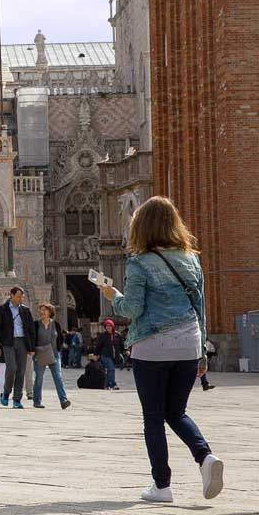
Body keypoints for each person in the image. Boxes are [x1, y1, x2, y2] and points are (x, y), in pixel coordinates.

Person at [100, 195, 223, 503]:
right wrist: (202, 352)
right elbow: (200, 308)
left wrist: (112, 294)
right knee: (177, 411)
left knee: (154, 416)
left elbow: (133, 309)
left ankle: (162, 486)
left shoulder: (140, 262)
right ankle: (205, 457)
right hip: (189, 343)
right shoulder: (191, 258)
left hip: (153, 345)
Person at [0, 286, 35, 409]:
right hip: (8, 342)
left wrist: (31, 347)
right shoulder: (1, 309)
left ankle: (17, 399)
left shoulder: (25, 311)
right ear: (11, 295)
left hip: (22, 342)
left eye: (22, 297)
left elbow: (31, 329)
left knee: (21, 370)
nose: (20, 299)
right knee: (12, 368)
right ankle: (6, 392)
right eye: (18, 296)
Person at [30, 302, 70, 410]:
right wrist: (33, 351)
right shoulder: (36, 324)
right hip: (40, 354)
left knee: (58, 377)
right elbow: (32, 338)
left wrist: (58, 348)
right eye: (41, 310)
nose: (42, 312)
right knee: (39, 378)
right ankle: (37, 401)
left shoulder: (56, 324)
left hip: (54, 354)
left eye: (44, 310)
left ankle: (63, 400)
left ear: (50, 312)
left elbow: (60, 338)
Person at [95, 319, 124, 391]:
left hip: (114, 356)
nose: (108, 327)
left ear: (113, 326)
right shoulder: (102, 335)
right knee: (111, 368)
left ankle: (106, 385)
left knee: (109, 370)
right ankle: (113, 384)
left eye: (110, 326)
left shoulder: (118, 335)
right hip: (105, 355)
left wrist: (125, 351)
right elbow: (98, 345)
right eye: (106, 326)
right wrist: (96, 354)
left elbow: (122, 345)